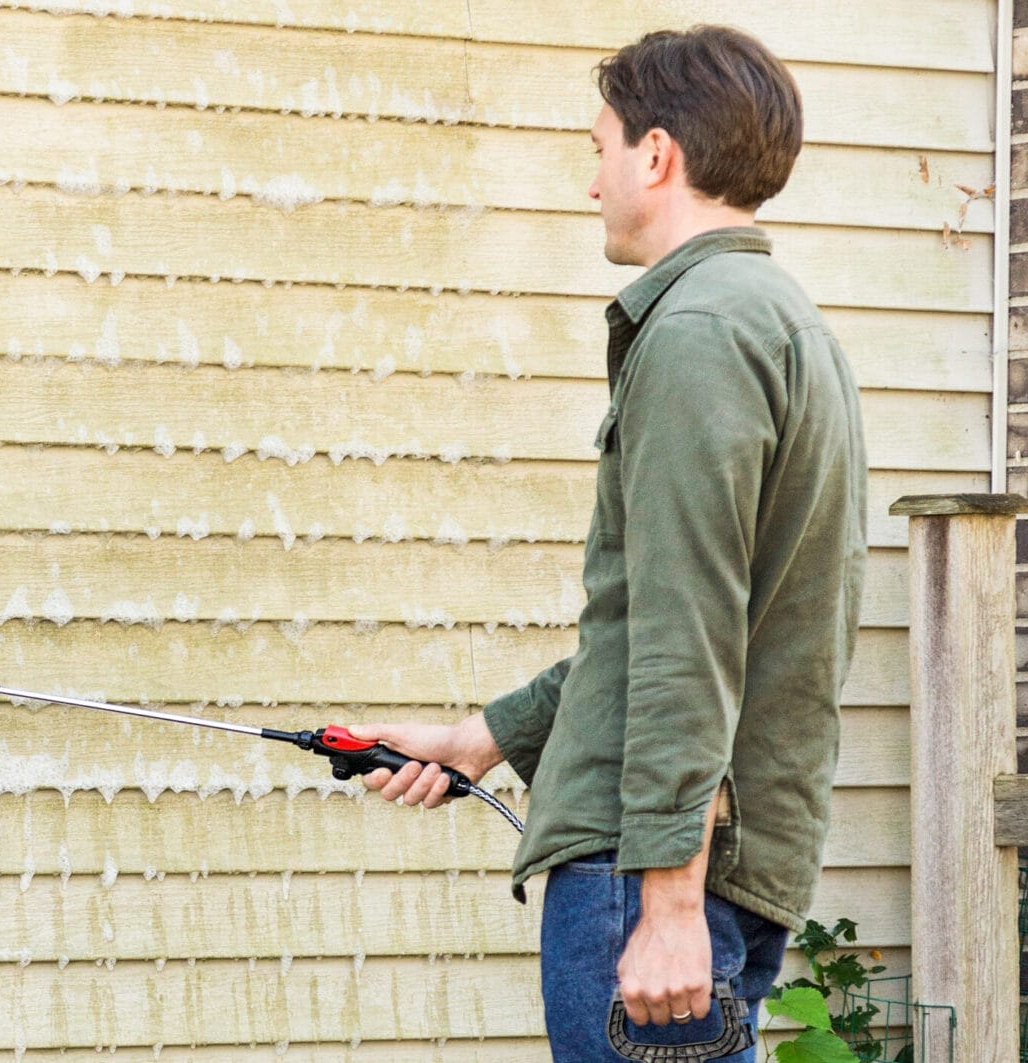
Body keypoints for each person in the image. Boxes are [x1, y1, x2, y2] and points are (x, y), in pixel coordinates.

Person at [347, 24, 868, 1062]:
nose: (593, 184)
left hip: (652, 871)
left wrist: (669, 896)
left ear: (658, 155)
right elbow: (672, 617)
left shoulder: (696, 334)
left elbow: (693, 628)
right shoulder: (778, 321)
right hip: (691, 860)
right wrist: (488, 735)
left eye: (601, 150)